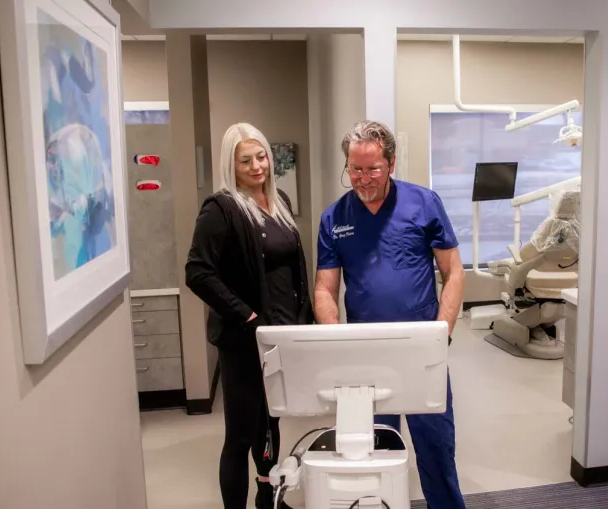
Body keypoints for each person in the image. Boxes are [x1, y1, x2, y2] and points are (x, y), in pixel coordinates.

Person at [314, 120, 467, 509]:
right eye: (355, 169)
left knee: (435, 449)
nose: (363, 179)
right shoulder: (334, 218)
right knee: (373, 452)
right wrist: (335, 341)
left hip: (422, 351)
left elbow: (453, 272)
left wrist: (441, 333)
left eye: (373, 169)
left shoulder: (424, 203)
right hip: (365, 356)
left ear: (392, 163)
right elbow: (325, 289)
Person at [185, 122, 312, 509]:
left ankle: (266, 497)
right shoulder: (221, 208)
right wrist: (248, 316)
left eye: (261, 157)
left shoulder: (281, 202)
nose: (257, 167)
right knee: (240, 435)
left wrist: (303, 319)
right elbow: (197, 272)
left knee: (269, 425)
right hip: (243, 340)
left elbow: (292, 268)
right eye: (246, 160)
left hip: (280, 336)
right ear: (231, 164)